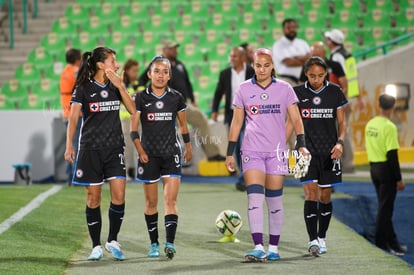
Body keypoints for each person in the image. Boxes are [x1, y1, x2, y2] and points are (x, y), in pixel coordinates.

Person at [225, 48, 309, 262]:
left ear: (272, 67)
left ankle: (273, 248)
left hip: (277, 153)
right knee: (254, 196)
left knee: (274, 201)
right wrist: (229, 153)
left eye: (266, 65)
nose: (262, 69)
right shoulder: (243, 89)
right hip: (251, 150)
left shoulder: (285, 89)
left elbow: (296, 119)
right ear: (253, 66)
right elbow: (236, 122)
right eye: (258, 65)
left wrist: (301, 143)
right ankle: (258, 246)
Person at [64, 47, 136, 261]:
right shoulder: (83, 88)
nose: (117, 64)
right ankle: (95, 245)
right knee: (93, 198)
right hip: (90, 150)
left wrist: (120, 86)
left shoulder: (116, 87)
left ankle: (112, 240)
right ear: (100, 64)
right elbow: (74, 119)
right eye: (113, 60)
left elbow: (133, 110)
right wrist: (69, 144)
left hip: (114, 149)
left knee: (119, 196)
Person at [131, 56, 192, 260]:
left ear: (169, 75)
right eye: (156, 71)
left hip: (171, 154)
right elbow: (133, 131)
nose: (160, 75)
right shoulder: (140, 98)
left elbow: (183, 126)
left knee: (170, 201)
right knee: (151, 203)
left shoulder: (177, 97)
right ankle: (154, 244)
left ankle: (170, 243)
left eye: (165, 72)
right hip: (148, 155)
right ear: (149, 74)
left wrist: (188, 146)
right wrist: (140, 151)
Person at [287, 56, 347, 256]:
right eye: (312, 75)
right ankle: (312, 240)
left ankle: (322, 237)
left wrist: (340, 142)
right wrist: (281, 147)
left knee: (325, 196)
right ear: (306, 74)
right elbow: (291, 123)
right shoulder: (296, 93)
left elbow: (342, 123)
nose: (316, 79)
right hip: (304, 151)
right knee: (310, 194)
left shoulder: (335, 92)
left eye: (321, 75)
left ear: (326, 74)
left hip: (330, 152)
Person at [138, 39, 225, 162]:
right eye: (171, 48)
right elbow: (142, 80)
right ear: (164, 50)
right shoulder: (158, 64)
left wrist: (192, 99)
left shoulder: (179, 64)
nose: (175, 51)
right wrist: (147, 94)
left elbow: (187, 83)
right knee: (166, 131)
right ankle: (159, 159)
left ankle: (212, 154)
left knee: (200, 119)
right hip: (165, 104)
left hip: (183, 103)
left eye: (175, 48)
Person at [365, 93, 407, 256]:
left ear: (378, 105)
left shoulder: (370, 124)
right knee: (385, 210)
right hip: (386, 171)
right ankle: (382, 243)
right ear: (393, 106)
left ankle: (392, 242)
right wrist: (398, 178)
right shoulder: (389, 127)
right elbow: (392, 156)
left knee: (384, 207)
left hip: (374, 168)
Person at [211, 46, 255, 191]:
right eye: (231, 56)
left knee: (245, 144)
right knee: (236, 146)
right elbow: (219, 92)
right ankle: (245, 175)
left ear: (242, 57)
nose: (232, 59)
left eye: (235, 56)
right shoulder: (224, 73)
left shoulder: (251, 71)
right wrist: (215, 110)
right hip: (232, 114)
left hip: (250, 114)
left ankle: (245, 178)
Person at [325, 28, 364, 173]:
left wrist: (343, 100)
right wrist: (358, 98)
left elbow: (344, 80)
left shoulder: (336, 57)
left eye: (328, 39)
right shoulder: (347, 55)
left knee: (340, 131)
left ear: (331, 41)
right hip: (347, 98)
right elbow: (353, 78)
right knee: (342, 130)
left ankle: (346, 164)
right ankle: (347, 163)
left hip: (341, 99)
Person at [60, 48, 81, 186]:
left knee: (70, 145)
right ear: (77, 59)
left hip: (66, 111)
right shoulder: (75, 71)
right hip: (75, 112)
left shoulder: (64, 72)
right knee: (76, 145)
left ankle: (70, 177)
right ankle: (76, 177)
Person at [272, 18, 310, 87]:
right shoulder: (278, 45)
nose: (292, 30)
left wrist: (295, 58)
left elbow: (310, 59)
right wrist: (304, 61)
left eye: (294, 27)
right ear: (283, 29)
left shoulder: (303, 43)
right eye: (288, 28)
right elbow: (289, 62)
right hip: (286, 80)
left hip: (303, 81)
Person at [121, 59, 140, 180]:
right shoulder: (121, 84)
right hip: (126, 119)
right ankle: (125, 172)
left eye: (137, 71)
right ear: (127, 71)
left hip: (137, 119)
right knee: (127, 146)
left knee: (139, 146)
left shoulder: (139, 83)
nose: (136, 73)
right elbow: (125, 99)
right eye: (133, 71)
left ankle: (139, 171)